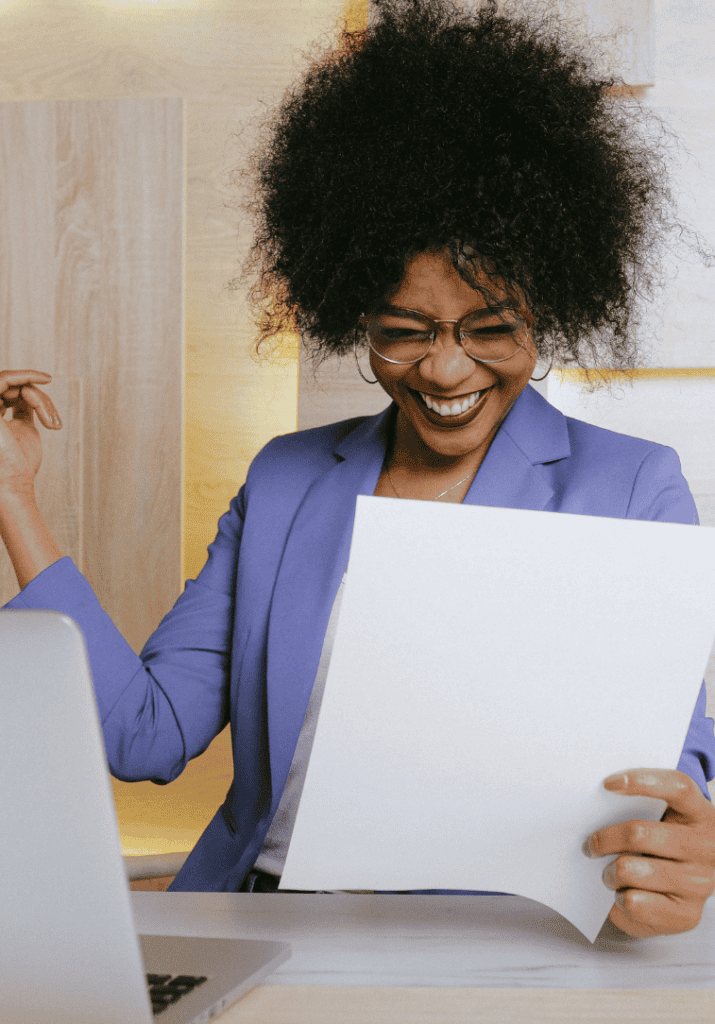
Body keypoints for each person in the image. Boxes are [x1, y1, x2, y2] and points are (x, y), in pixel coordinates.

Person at [1, 0, 714, 937]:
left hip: (490, 944)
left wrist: (682, 841)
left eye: (489, 327)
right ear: (352, 318)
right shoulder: (289, 479)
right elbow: (144, 736)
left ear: (550, 306)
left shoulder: (629, 487)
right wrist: (16, 501)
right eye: (402, 333)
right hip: (254, 928)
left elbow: (680, 759)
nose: (445, 368)